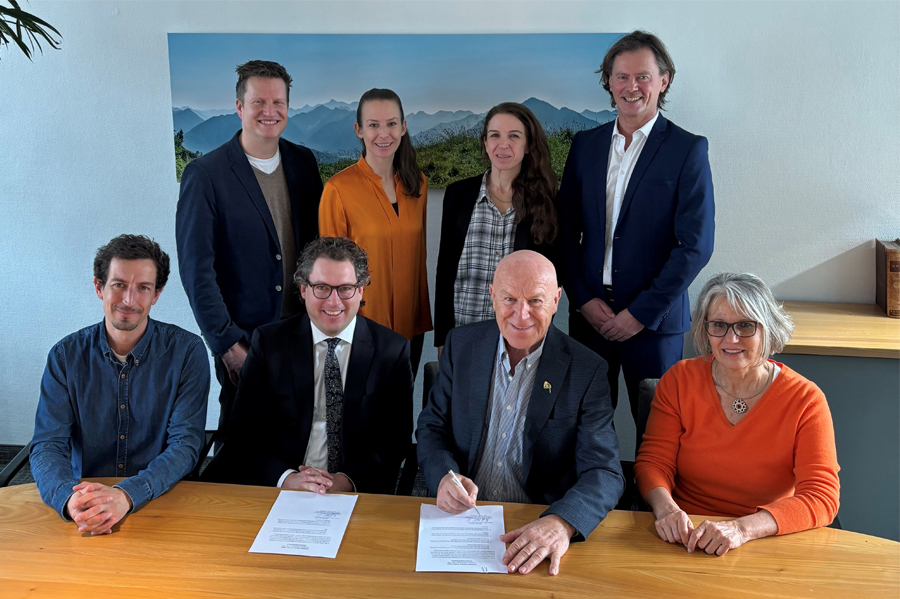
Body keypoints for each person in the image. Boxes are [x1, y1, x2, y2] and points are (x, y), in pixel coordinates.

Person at [416, 250, 624, 576]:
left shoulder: (587, 369)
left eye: (536, 301)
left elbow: (605, 472)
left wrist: (561, 522)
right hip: (463, 521)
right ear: (493, 297)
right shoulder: (461, 345)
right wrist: (444, 476)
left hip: (539, 522)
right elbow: (432, 426)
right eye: (509, 298)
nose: (521, 314)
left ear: (556, 300)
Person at [556, 31, 715, 422]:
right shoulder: (585, 145)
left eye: (642, 76)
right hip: (589, 318)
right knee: (582, 432)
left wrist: (640, 313)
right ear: (608, 82)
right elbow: (563, 232)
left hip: (654, 325)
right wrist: (582, 300)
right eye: (621, 76)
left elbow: (695, 245)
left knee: (659, 434)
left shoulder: (687, 149)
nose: (632, 87)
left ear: (664, 80)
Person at [634, 273, 840, 556]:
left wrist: (742, 529)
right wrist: (666, 509)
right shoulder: (679, 380)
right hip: (684, 535)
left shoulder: (805, 399)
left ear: (768, 329)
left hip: (766, 537)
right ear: (705, 330)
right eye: (719, 325)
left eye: (745, 326)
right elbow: (653, 462)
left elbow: (821, 496)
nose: (731, 338)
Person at [176, 60, 323, 439]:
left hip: (303, 332)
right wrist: (227, 344)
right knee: (242, 447)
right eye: (259, 102)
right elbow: (197, 272)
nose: (269, 112)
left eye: (278, 102)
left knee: (301, 439)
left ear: (289, 108)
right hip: (246, 339)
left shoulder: (303, 163)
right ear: (239, 107)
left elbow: (317, 247)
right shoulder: (205, 174)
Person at [202, 237, 413, 494]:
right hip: (278, 488)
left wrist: (345, 481)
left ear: (360, 290)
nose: (334, 302)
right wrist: (287, 479)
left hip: (355, 491)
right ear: (303, 290)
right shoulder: (269, 344)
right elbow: (243, 433)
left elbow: (394, 441)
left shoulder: (392, 350)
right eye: (322, 288)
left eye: (345, 288)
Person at [30, 235, 209, 535]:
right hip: (85, 505)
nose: (129, 300)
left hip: (161, 503)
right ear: (99, 287)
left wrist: (126, 495)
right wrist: (70, 499)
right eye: (119, 285)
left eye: (143, 288)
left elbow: (186, 445)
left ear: (157, 294)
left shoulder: (188, 353)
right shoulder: (65, 356)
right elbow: (48, 446)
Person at [319, 88, 431, 375]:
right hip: (361, 329)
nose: (384, 134)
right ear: (359, 130)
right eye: (373, 125)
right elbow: (329, 275)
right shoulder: (338, 189)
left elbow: (419, 258)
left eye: (392, 124)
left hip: (410, 325)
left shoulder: (417, 184)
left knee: (402, 413)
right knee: (362, 417)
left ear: (403, 127)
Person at [434, 102, 558, 353]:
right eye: (495, 136)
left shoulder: (546, 202)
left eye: (514, 136)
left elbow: (550, 282)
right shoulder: (459, 194)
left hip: (517, 338)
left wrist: (535, 337)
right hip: (462, 333)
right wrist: (442, 339)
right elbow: (445, 270)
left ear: (528, 145)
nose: (503, 145)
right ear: (485, 142)